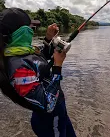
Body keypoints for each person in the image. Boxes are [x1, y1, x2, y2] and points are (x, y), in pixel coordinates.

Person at [0, 8, 76, 137]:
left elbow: (41, 55)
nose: (32, 30)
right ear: (22, 32)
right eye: (30, 28)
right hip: (49, 120)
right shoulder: (19, 69)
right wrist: (57, 66)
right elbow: (48, 104)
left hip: (59, 113)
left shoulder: (23, 51)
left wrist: (48, 38)